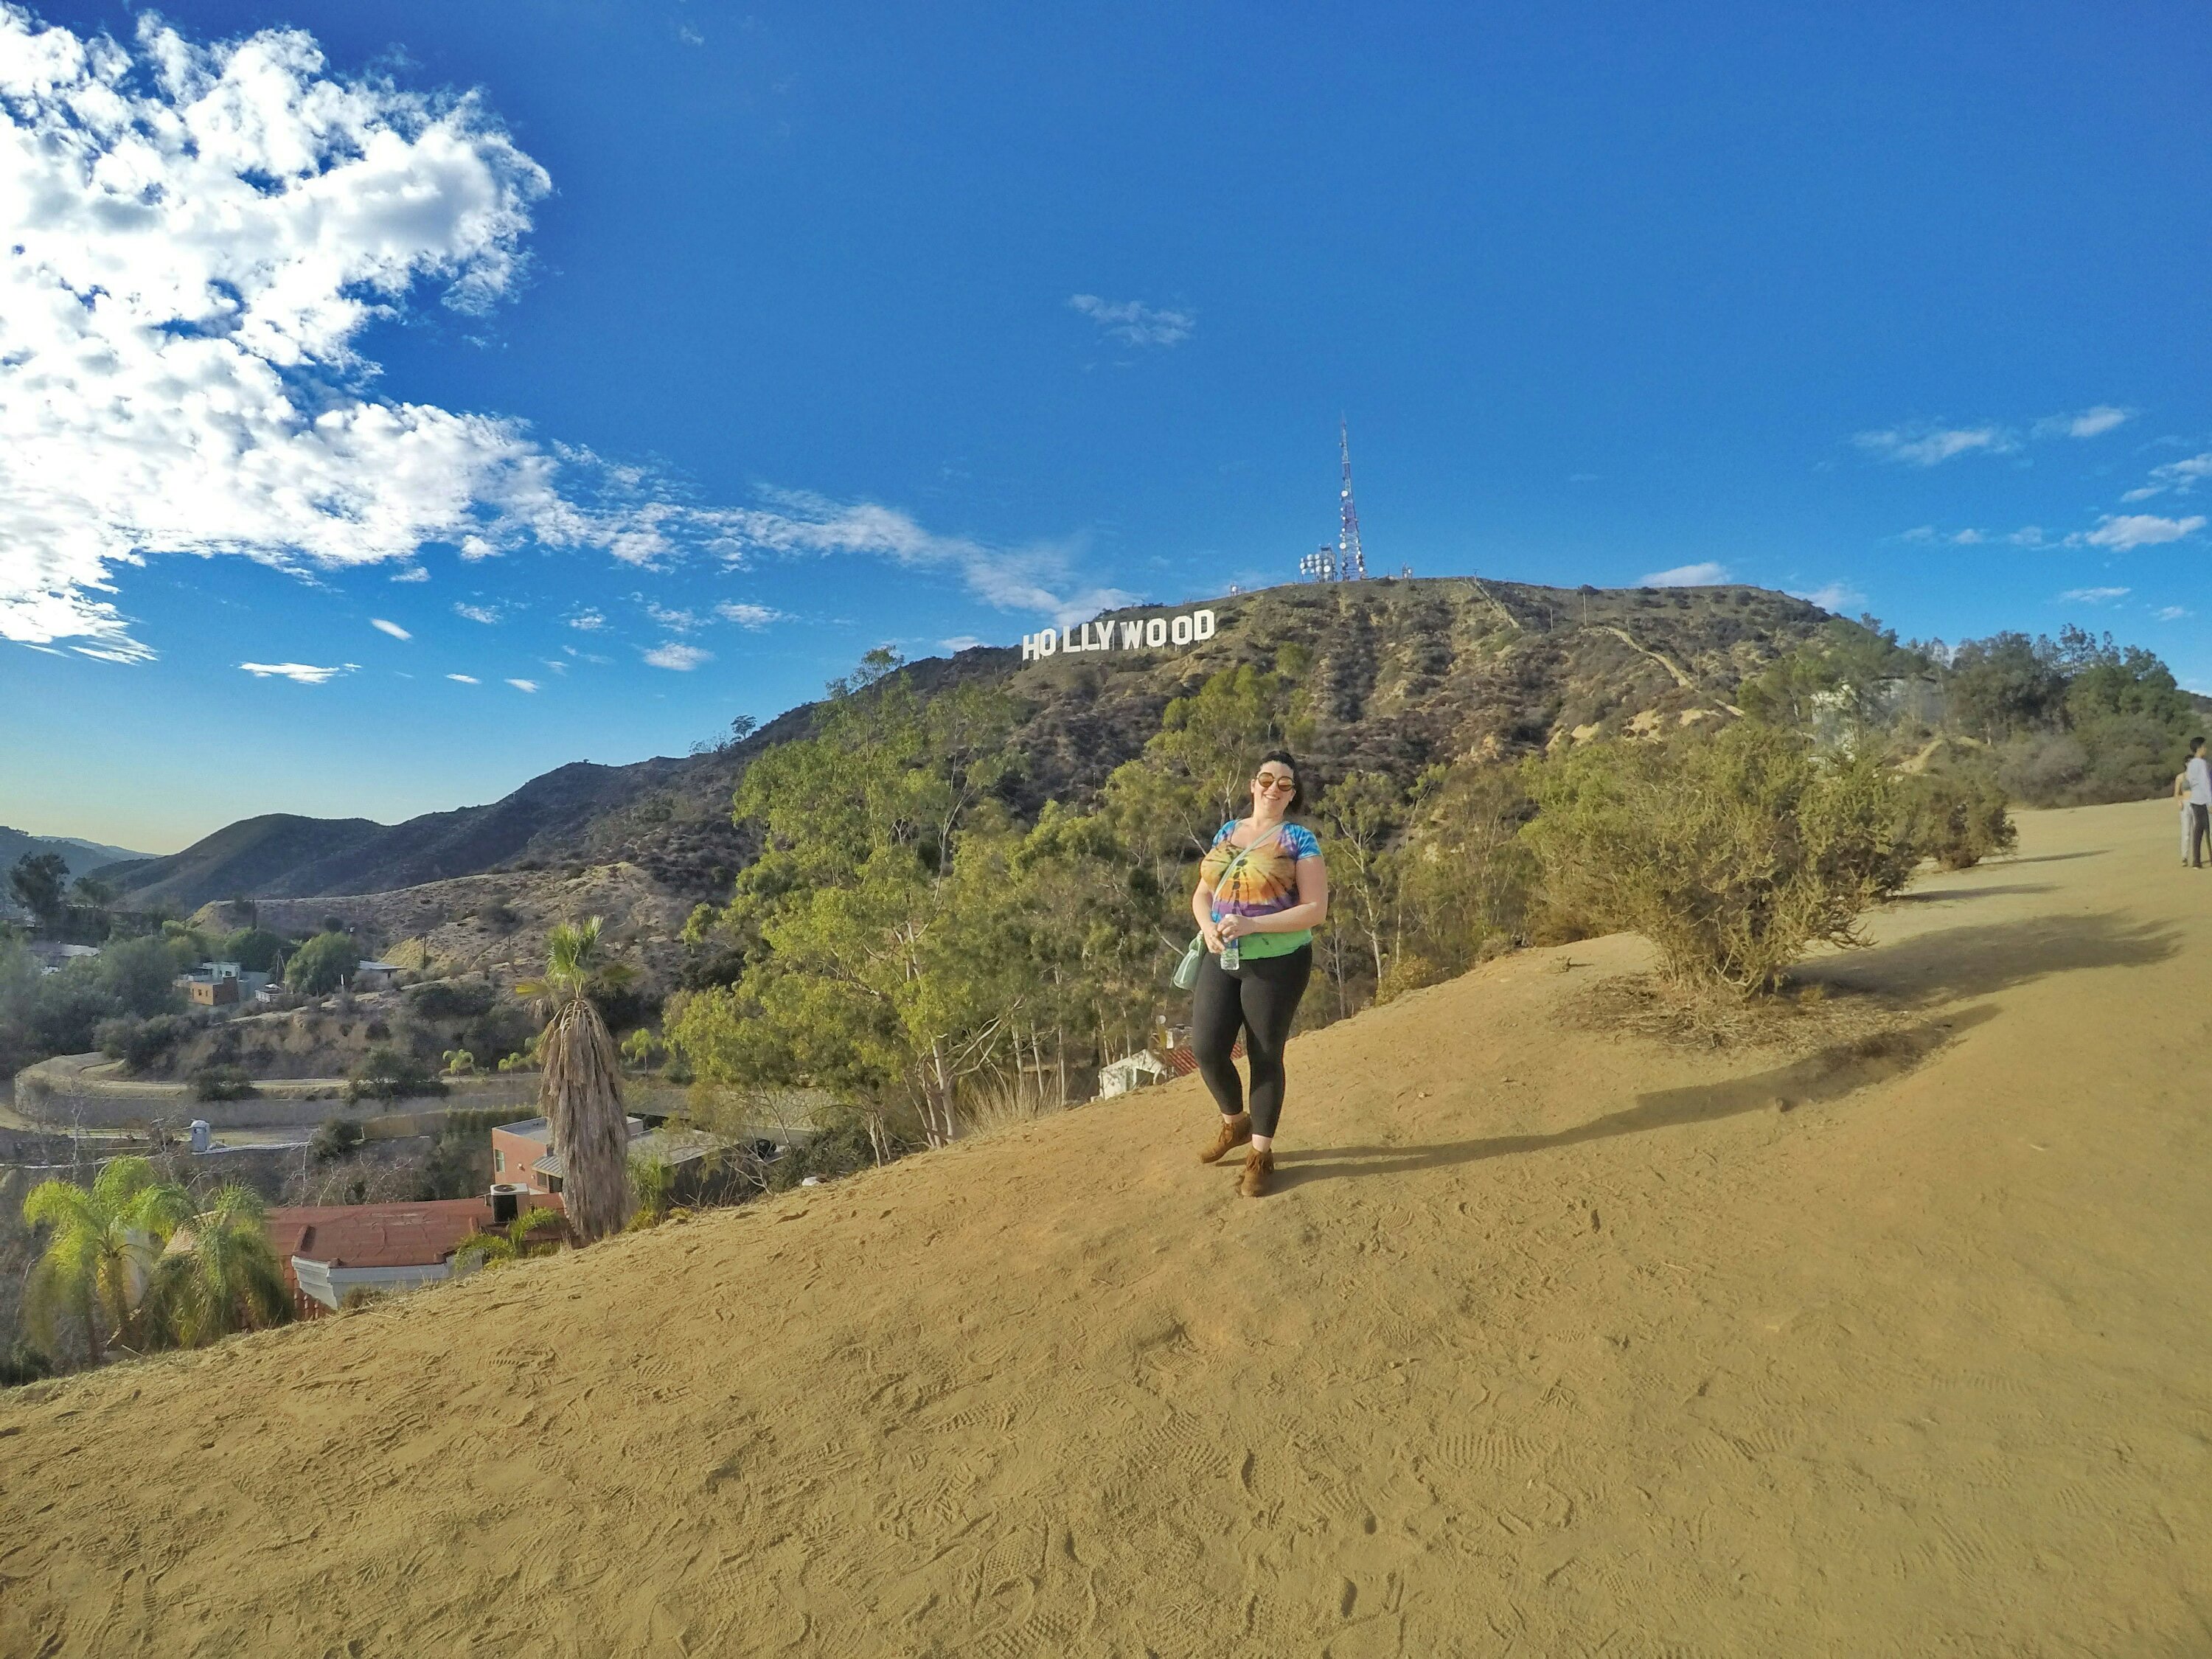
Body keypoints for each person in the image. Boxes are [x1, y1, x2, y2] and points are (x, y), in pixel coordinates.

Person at [1189, 751, 1329, 1197]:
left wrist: (1252, 924)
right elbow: (1202, 894)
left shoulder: (1299, 841)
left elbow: (1315, 911)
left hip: (1277, 963)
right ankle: (1235, 1122)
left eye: (1284, 784)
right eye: (1266, 779)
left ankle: (1260, 1156)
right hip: (1222, 956)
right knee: (1207, 1048)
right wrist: (1208, 927)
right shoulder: (1229, 832)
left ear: (1292, 795)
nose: (1274, 788)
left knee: (1264, 1055)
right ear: (1253, 785)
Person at [2189, 738, 2212, 869]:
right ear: (2199, 748)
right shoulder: (2201, 763)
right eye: (2204, 747)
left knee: (2198, 830)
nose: (2205, 749)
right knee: (2207, 829)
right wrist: (2210, 802)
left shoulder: (2191, 763)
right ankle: (2200, 859)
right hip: (2203, 800)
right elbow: (2205, 783)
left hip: (2195, 799)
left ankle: (2197, 859)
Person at [2177, 761, 2194, 867]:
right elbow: (2177, 793)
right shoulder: (2181, 777)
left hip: (2196, 803)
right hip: (2185, 803)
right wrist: (2179, 801)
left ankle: (2197, 857)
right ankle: (2185, 856)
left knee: (2197, 831)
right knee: (2186, 831)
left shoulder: (2197, 776)